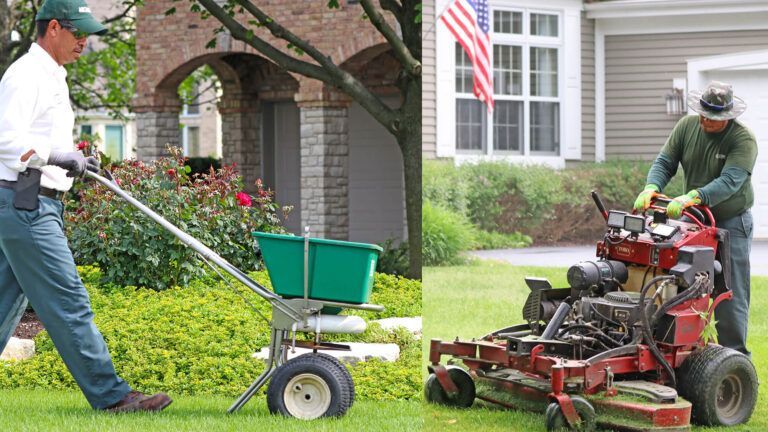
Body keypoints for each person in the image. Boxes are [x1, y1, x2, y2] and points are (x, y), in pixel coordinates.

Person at [0, 0, 171, 412]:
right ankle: (112, 397)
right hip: (27, 204)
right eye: (79, 34)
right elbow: (5, 139)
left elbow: (37, 135)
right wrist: (56, 158)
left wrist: (72, 156)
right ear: (53, 28)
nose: (85, 42)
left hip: (29, 202)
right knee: (69, 300)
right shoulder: (26, 75)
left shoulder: (52, 75)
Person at [634, 81, 757, 356]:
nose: (705, 121)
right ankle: (679, 350)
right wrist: (651, 187)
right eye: (703, 114)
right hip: (692, 220)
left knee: (729, 292)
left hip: (730, 222)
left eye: (712, 118)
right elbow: (665, 162)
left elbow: (730, 181)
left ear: (728, 116)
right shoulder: (686, 127)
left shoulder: (743, 139)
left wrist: (694, 196)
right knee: (683, 282)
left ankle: (734, 360)